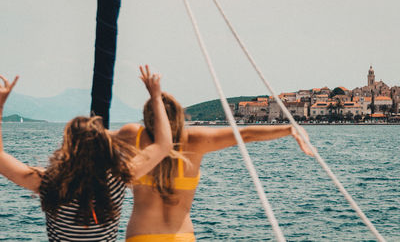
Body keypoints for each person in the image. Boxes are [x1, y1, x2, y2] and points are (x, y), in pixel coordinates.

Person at [0, 65, 173, 241]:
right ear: (104, 146)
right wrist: (156, 96)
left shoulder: (49, 182)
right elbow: (164, 145)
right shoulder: (118, 178)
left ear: (67, 147)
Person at [124, 92, 315, 242]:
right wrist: (289, 129)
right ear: (178, 115)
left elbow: (98, 135)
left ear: (147, 117)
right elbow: (246, 134)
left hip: (141, 235)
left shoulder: (135, 137)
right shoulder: (193, 140)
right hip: (180, 237)